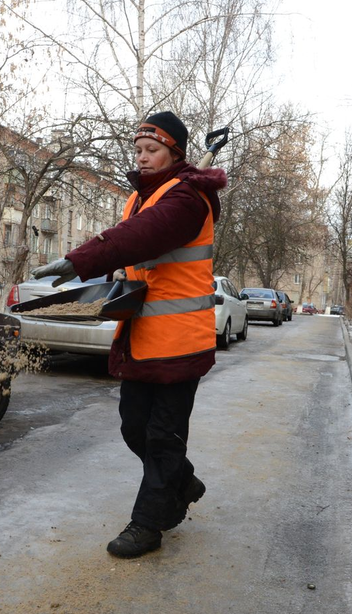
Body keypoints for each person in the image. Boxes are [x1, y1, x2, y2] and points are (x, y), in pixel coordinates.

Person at [31, 111, 226, 558]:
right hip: (142, 337)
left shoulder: (188, 197)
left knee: (162, 438)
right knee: (134, 427)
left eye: (151, 150)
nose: (142, 157)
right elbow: (134, 247)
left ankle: (149, 523)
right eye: (137, 150)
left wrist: (82, 259)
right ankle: (184, 480)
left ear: (174, 152)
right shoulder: (143, 197)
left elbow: (141, 236)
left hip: (180, 340)